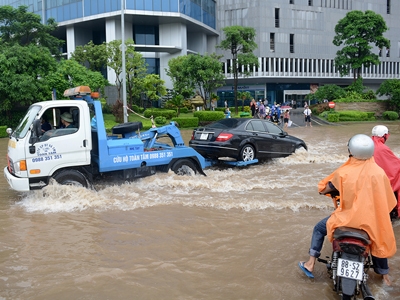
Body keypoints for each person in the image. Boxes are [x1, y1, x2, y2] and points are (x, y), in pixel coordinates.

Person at [298, 134, 397, 286]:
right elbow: (389, 201)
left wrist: (323, 191)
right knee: (379, 235)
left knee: (318, 229)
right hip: (369, 222)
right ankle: (384, 276)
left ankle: (310, 264)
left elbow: (327, 187)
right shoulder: (379, 172)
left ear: (351, 151)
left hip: (345, 220)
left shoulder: (343, 172)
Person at [371, 125, 400, 219]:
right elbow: (395, 165)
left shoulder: (368, 145)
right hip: (381, 181)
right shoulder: (383, 148)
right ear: (384, 136)